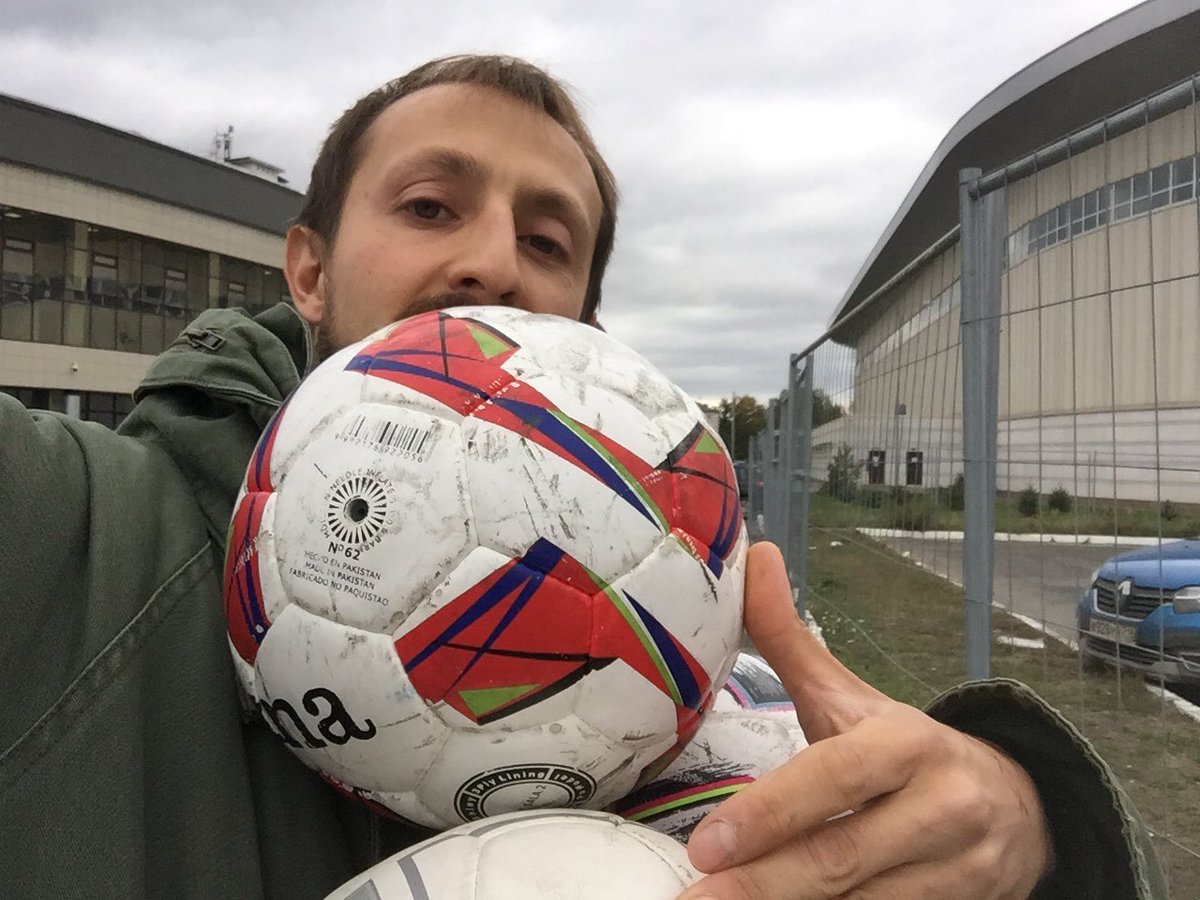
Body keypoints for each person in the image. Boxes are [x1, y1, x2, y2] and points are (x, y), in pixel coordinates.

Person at [0, 55, 1164, 900]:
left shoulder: (689, 634)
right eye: (427, 206)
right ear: (307, 266)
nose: (492, 261)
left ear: (584, 327)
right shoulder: (78, 527)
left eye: (548, 242)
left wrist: (1027, 821)